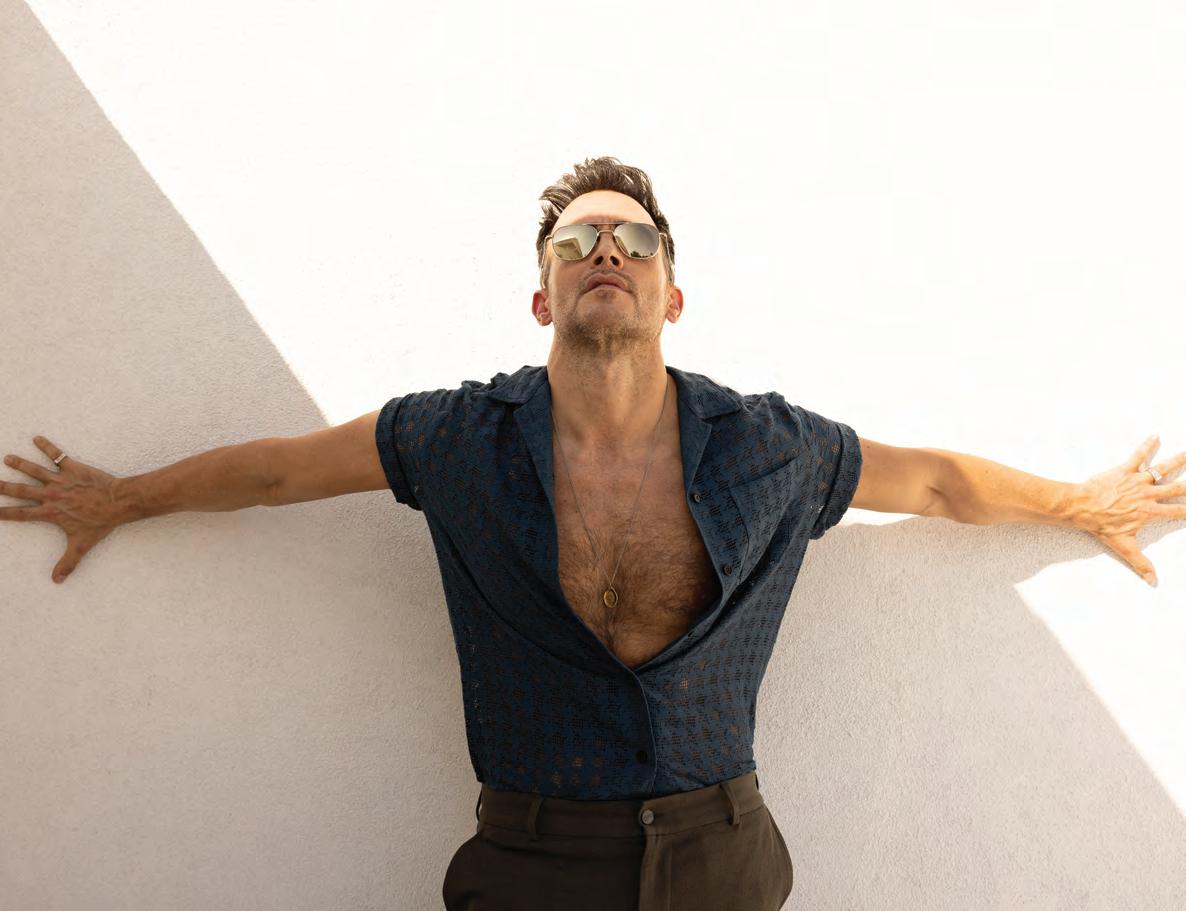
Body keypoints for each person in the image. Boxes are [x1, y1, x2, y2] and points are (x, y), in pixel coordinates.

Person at [3, 156, 1179, 910]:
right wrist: (124, 496)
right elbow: (274, 470)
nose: (603, 251)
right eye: (574, 242)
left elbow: (934, 484)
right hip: (530, 860)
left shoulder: (769, 447)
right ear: (542, 295)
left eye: (632, 240)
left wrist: (1083, 503)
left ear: (671, 292)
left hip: (722, 856)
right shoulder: (454, 437)